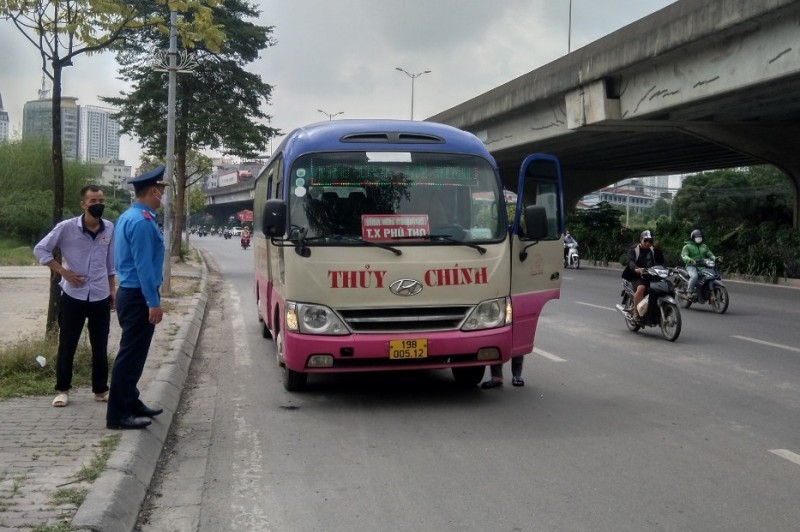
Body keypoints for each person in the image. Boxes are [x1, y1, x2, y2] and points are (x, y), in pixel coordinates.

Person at [34, 185, 115, 408]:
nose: (98, 204)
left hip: (100, 295)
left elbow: (110, 263)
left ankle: (100, 390)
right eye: (93, 201)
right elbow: (40, 250)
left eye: (101, 200)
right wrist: (63, 271)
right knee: (67, 344)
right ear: (83, 204)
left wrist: (112, 290)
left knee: (100, 345)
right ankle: (62, 390)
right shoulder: (66, 228)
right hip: (73, 297)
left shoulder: (109, 228)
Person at [106, 166, 168, 430]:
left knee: (136, 353)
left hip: (130, 293)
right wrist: (152, 301)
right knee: (130, 355)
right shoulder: (142, 222)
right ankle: (117, 414)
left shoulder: (130, 216)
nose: (162, 197)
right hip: (137, 295)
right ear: (154, 191)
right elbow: (143, 266)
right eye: (161, 192)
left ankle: (131, 401)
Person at [622, 230, 664, 321]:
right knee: (641, 288)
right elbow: (631, 261)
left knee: (661, 287)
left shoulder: (653, 250)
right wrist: (636, 268)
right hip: (635, 275)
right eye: (645, 240)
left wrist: (657, 249)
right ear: (641, 239)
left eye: (650, 241)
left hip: (650, 274)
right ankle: (635, 314)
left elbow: (661, 261)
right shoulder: (634, 249)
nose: (648, 243)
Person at [681, 229, 716, 300]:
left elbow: (710, 254)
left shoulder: (704, 246)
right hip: (691, 266)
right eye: (697, 237)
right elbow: (684, 256)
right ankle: (689, 292)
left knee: (711, 275)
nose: (699, 239)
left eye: (700, 237)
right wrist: (690, 260)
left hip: (703, 266)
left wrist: (715, 258)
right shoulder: (687, 246)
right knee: (694, 276)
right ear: (693, 238)